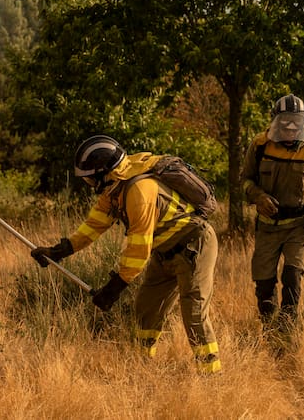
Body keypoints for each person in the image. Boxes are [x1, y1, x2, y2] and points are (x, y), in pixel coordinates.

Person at [30, 135, 221, 374]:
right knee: (146, 308)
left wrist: (114, 288)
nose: (88, 183)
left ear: (104, 173)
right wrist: (58, 251)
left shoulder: (140, 191)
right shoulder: (114, 192)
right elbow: (91, 228)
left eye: (90, 177)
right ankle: (142, 365)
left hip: (194, 246)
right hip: (164, 252)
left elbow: (138, 250)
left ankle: (211, 373)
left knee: (193, 310)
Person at [242, 94, 304, 329]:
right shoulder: (260, 146)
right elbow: (245, 179)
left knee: (292, 275)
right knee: (264, 282)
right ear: (276, 122)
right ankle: (269, 326)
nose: (291, 127)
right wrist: (258, 197)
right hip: (267, 226)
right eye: (285, 121)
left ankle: (287, 327)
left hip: (298, 226)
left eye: (296, 121)